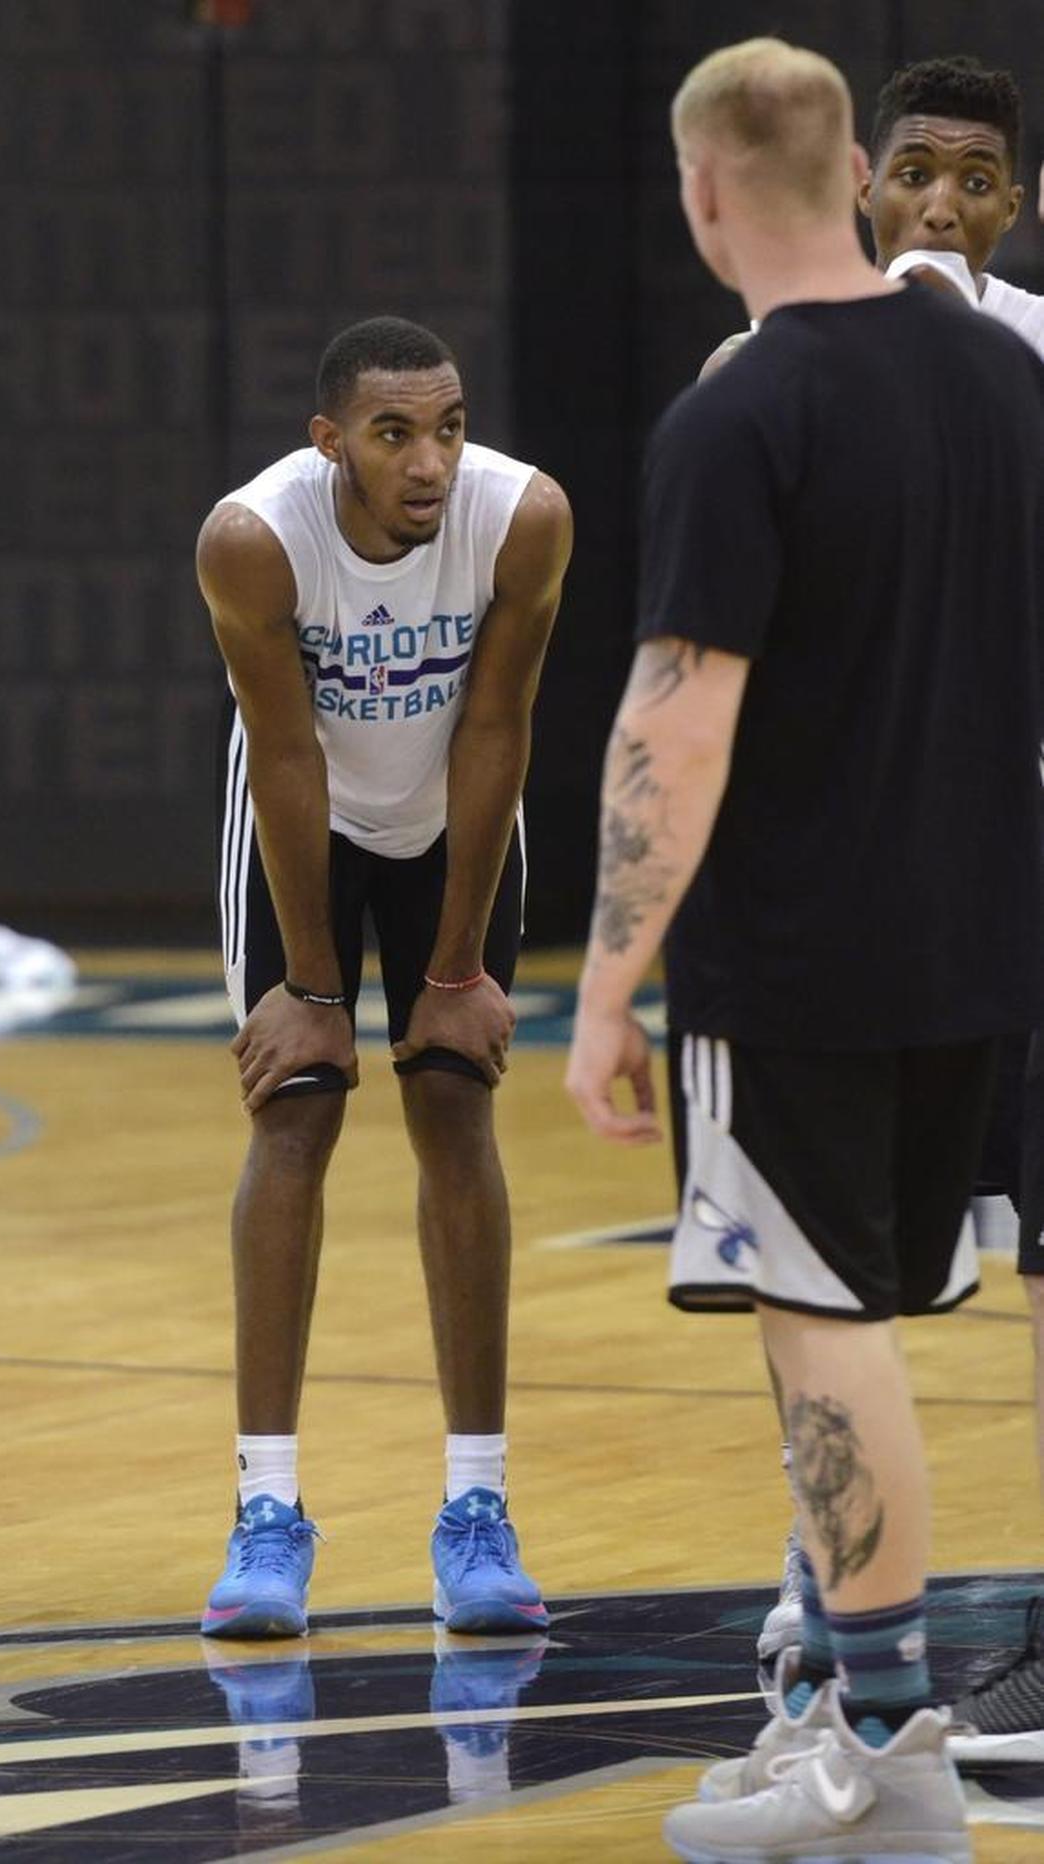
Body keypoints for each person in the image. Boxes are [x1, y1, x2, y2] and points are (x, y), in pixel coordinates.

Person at [566, 37, 1044, 1861]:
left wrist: (608, 986)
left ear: (707, 195)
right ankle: (854, 1718)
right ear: (855, 167)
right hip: (985, 952)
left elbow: (675, 724)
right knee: (874, 1333)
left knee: (822, 1339)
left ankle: (891, 1748)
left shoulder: (738, 411)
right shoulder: (1010, 388)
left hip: (799, 962)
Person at [711, 53, 1044, 1678]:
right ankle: (825, 1587)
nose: (943, 203)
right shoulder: (769, 366)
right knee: (843, 1271)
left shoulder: (1039, 368)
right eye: (918, 168)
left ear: (1018, 208)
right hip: (861, 902)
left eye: (979, 179)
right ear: (865, 185)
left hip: (1021, 876)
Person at [196, 315, 572, 1639]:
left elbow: (498, 724)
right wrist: (310, 985)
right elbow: (287, 760)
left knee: (455, 1104)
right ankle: (265, 1514)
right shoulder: (255, 538)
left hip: (453, 809)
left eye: (450, 427)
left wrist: (456, 960)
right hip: (309, 817)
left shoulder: (521, 520)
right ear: (330, 444)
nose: (430, 461)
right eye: (394, 434)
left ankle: (477, 1510)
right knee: (294, 1110)